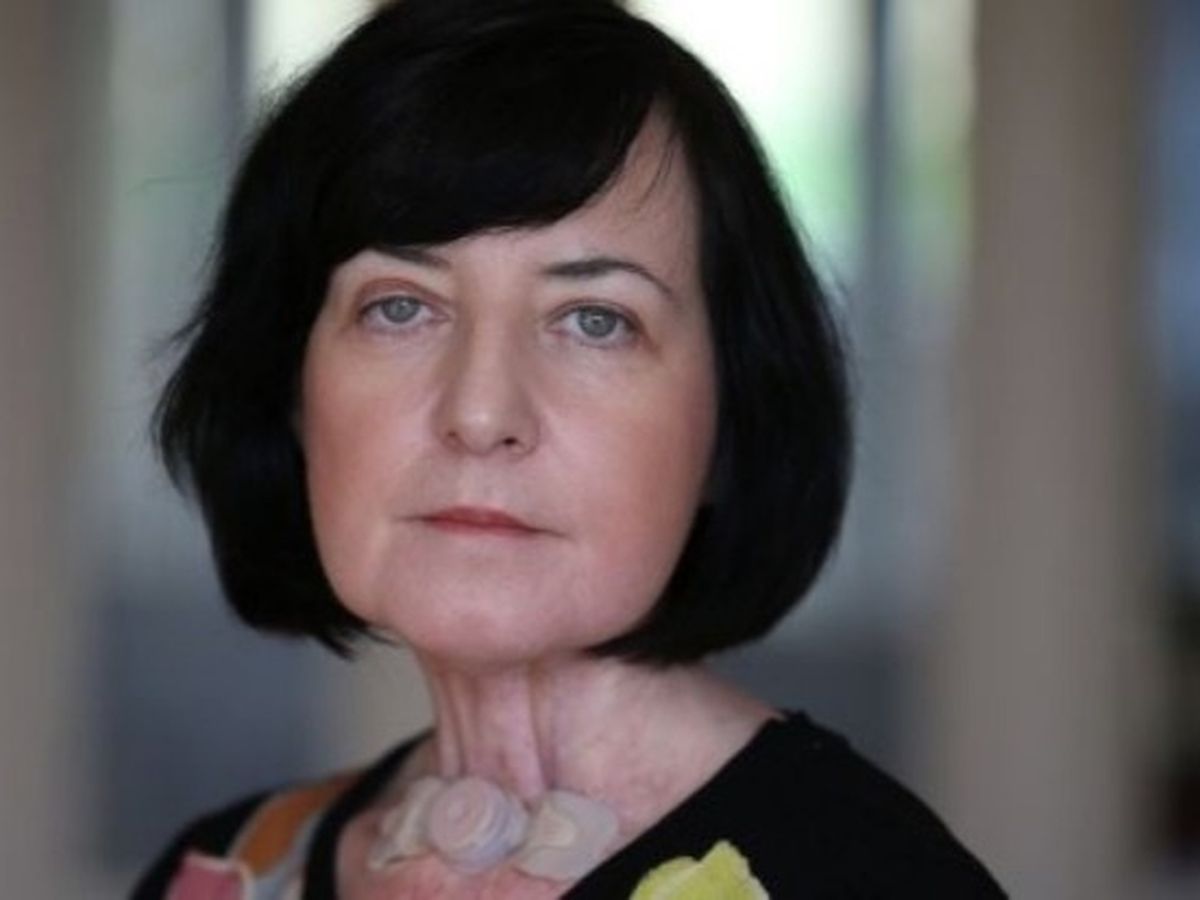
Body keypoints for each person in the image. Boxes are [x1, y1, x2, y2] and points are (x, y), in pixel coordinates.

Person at [133, 1, 1004, 897]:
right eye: (399, 306)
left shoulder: (878, 882)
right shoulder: (221, 875)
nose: (480, 413)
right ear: (292, 391)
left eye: (595, 320)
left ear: (728, 422)